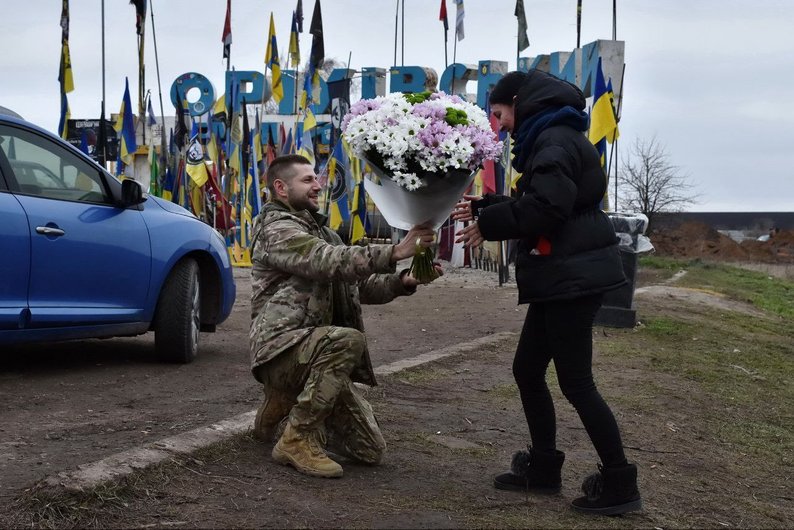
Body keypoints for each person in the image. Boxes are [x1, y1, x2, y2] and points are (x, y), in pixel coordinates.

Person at [452, 70, 641, 515]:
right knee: (528, 369)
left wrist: (490, 223)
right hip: (565, 273)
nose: (500, 125)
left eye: (499, 114)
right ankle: (543, 468)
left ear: (519, 102)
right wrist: (489, 206)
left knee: (577, 383)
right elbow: (551, 200)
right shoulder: (555, 133)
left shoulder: (553, 139)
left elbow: (549, 207)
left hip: (571, 276)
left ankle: (619, 483)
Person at [249, 154, 439, 479]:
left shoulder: (326, 234)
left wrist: (403, 281)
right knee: (348, 341)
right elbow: (328, 261)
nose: (317, 185)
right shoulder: (276, 230)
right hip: (282, 349)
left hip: (317, 353)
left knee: (370, 449)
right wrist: (394, 251)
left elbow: (360, 286)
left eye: (316, 178)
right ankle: (296, 439)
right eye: (307, 180)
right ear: (281, 188)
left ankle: (284, 403)